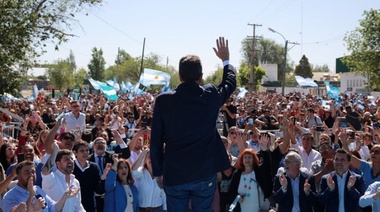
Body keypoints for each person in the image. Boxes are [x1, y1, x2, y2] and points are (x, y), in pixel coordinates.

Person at [150, 37, 236, 211]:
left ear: (180, 76)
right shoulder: (210, 95)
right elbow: (230, 83)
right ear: (201, 77)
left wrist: (158, 172)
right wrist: (226, 60)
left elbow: (156, 140)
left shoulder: (163, 101)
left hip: (175, 174)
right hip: (204, 173)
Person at [1, 161, 80, 212]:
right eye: (26, 172)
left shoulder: (38, 189)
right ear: (18, 176)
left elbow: (53, 209)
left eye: (33, 172)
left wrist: (64, 197)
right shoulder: (9, 197)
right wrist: (31, 194)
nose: (31, 175)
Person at [41, 147, 85, 212]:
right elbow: (45, 171)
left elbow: (78, 206)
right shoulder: (52, 179)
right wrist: (55, 151)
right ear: (58, 163)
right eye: (66, 159)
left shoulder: (75, 182)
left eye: (71, 159)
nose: (70, 161)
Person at [73, 141, 104, 212]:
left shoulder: (94, 167)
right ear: (75, 153)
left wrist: (103, 178)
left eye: (87, 150)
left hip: (90, 206)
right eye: (82, 151)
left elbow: (99, 190)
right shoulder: (71, 167)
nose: (85, 153)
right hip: (73, 204)